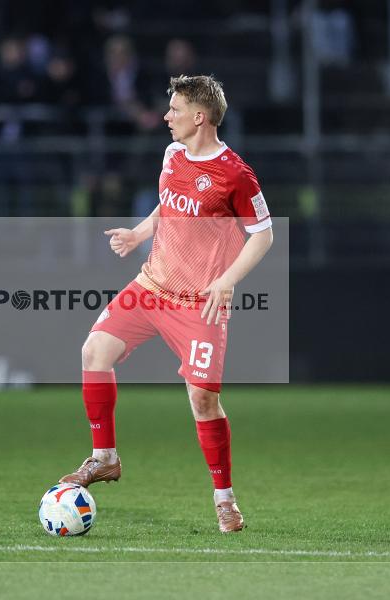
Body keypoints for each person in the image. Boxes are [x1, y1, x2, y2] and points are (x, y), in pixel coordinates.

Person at [59, 75, 273, 533]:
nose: (166, 116)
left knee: (203, 400)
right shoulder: (173, 154)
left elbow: (264, 234)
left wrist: (228, 281)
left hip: (199, 302)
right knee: (94, 352)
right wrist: (140, 232)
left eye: (174, 109)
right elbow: (168, 204)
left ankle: (224, 499)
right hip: (152, 286)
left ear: (199, 117)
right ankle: (105, 457)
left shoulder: (235, 173)